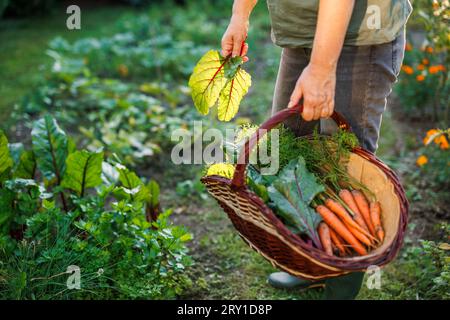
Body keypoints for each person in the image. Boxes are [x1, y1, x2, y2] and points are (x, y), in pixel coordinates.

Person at [220, 0, 412, 299]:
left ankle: (344, 279)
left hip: (359, 35)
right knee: (290, 147)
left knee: (345, 161)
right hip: (303, 32)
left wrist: (322, 69)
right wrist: (240, 15)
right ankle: (313, 262)